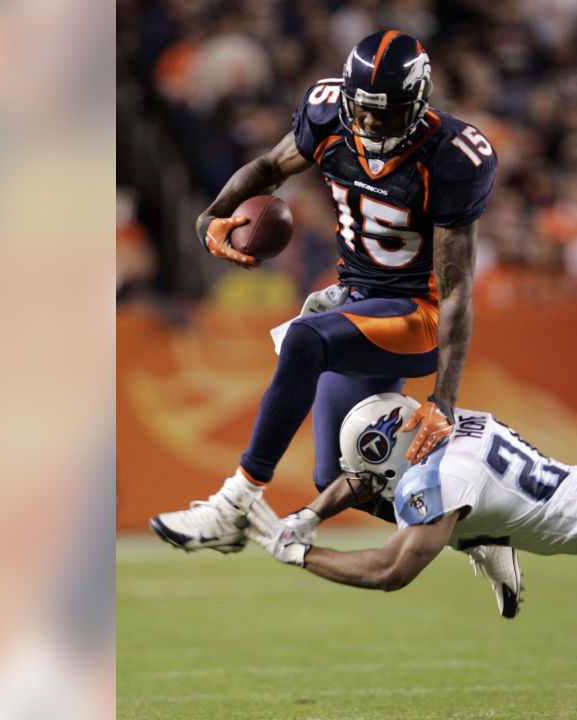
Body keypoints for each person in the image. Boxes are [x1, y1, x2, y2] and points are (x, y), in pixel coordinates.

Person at [150, 31, 518, 610]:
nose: (370, 126)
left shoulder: (452, 156)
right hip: (359, 300)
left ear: (418, 102)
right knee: (336, 476)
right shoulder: (327, 115)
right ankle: (479, 529)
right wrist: (211, 218)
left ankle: (235, 502)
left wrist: (444, 399)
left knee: (304, 340)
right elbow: (271, 166)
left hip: (415, 314)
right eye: (362, 111)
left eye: (386, 112)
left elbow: (454, 293)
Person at [246, 393, 577, 616]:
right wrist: (311, 514)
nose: (362, 487)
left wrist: (299, 552)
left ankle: (482, 542)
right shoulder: (451, 423)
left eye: (366, 474)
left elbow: (390, 571)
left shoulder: (440, 482)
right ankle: (483, 541)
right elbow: (368, 474)